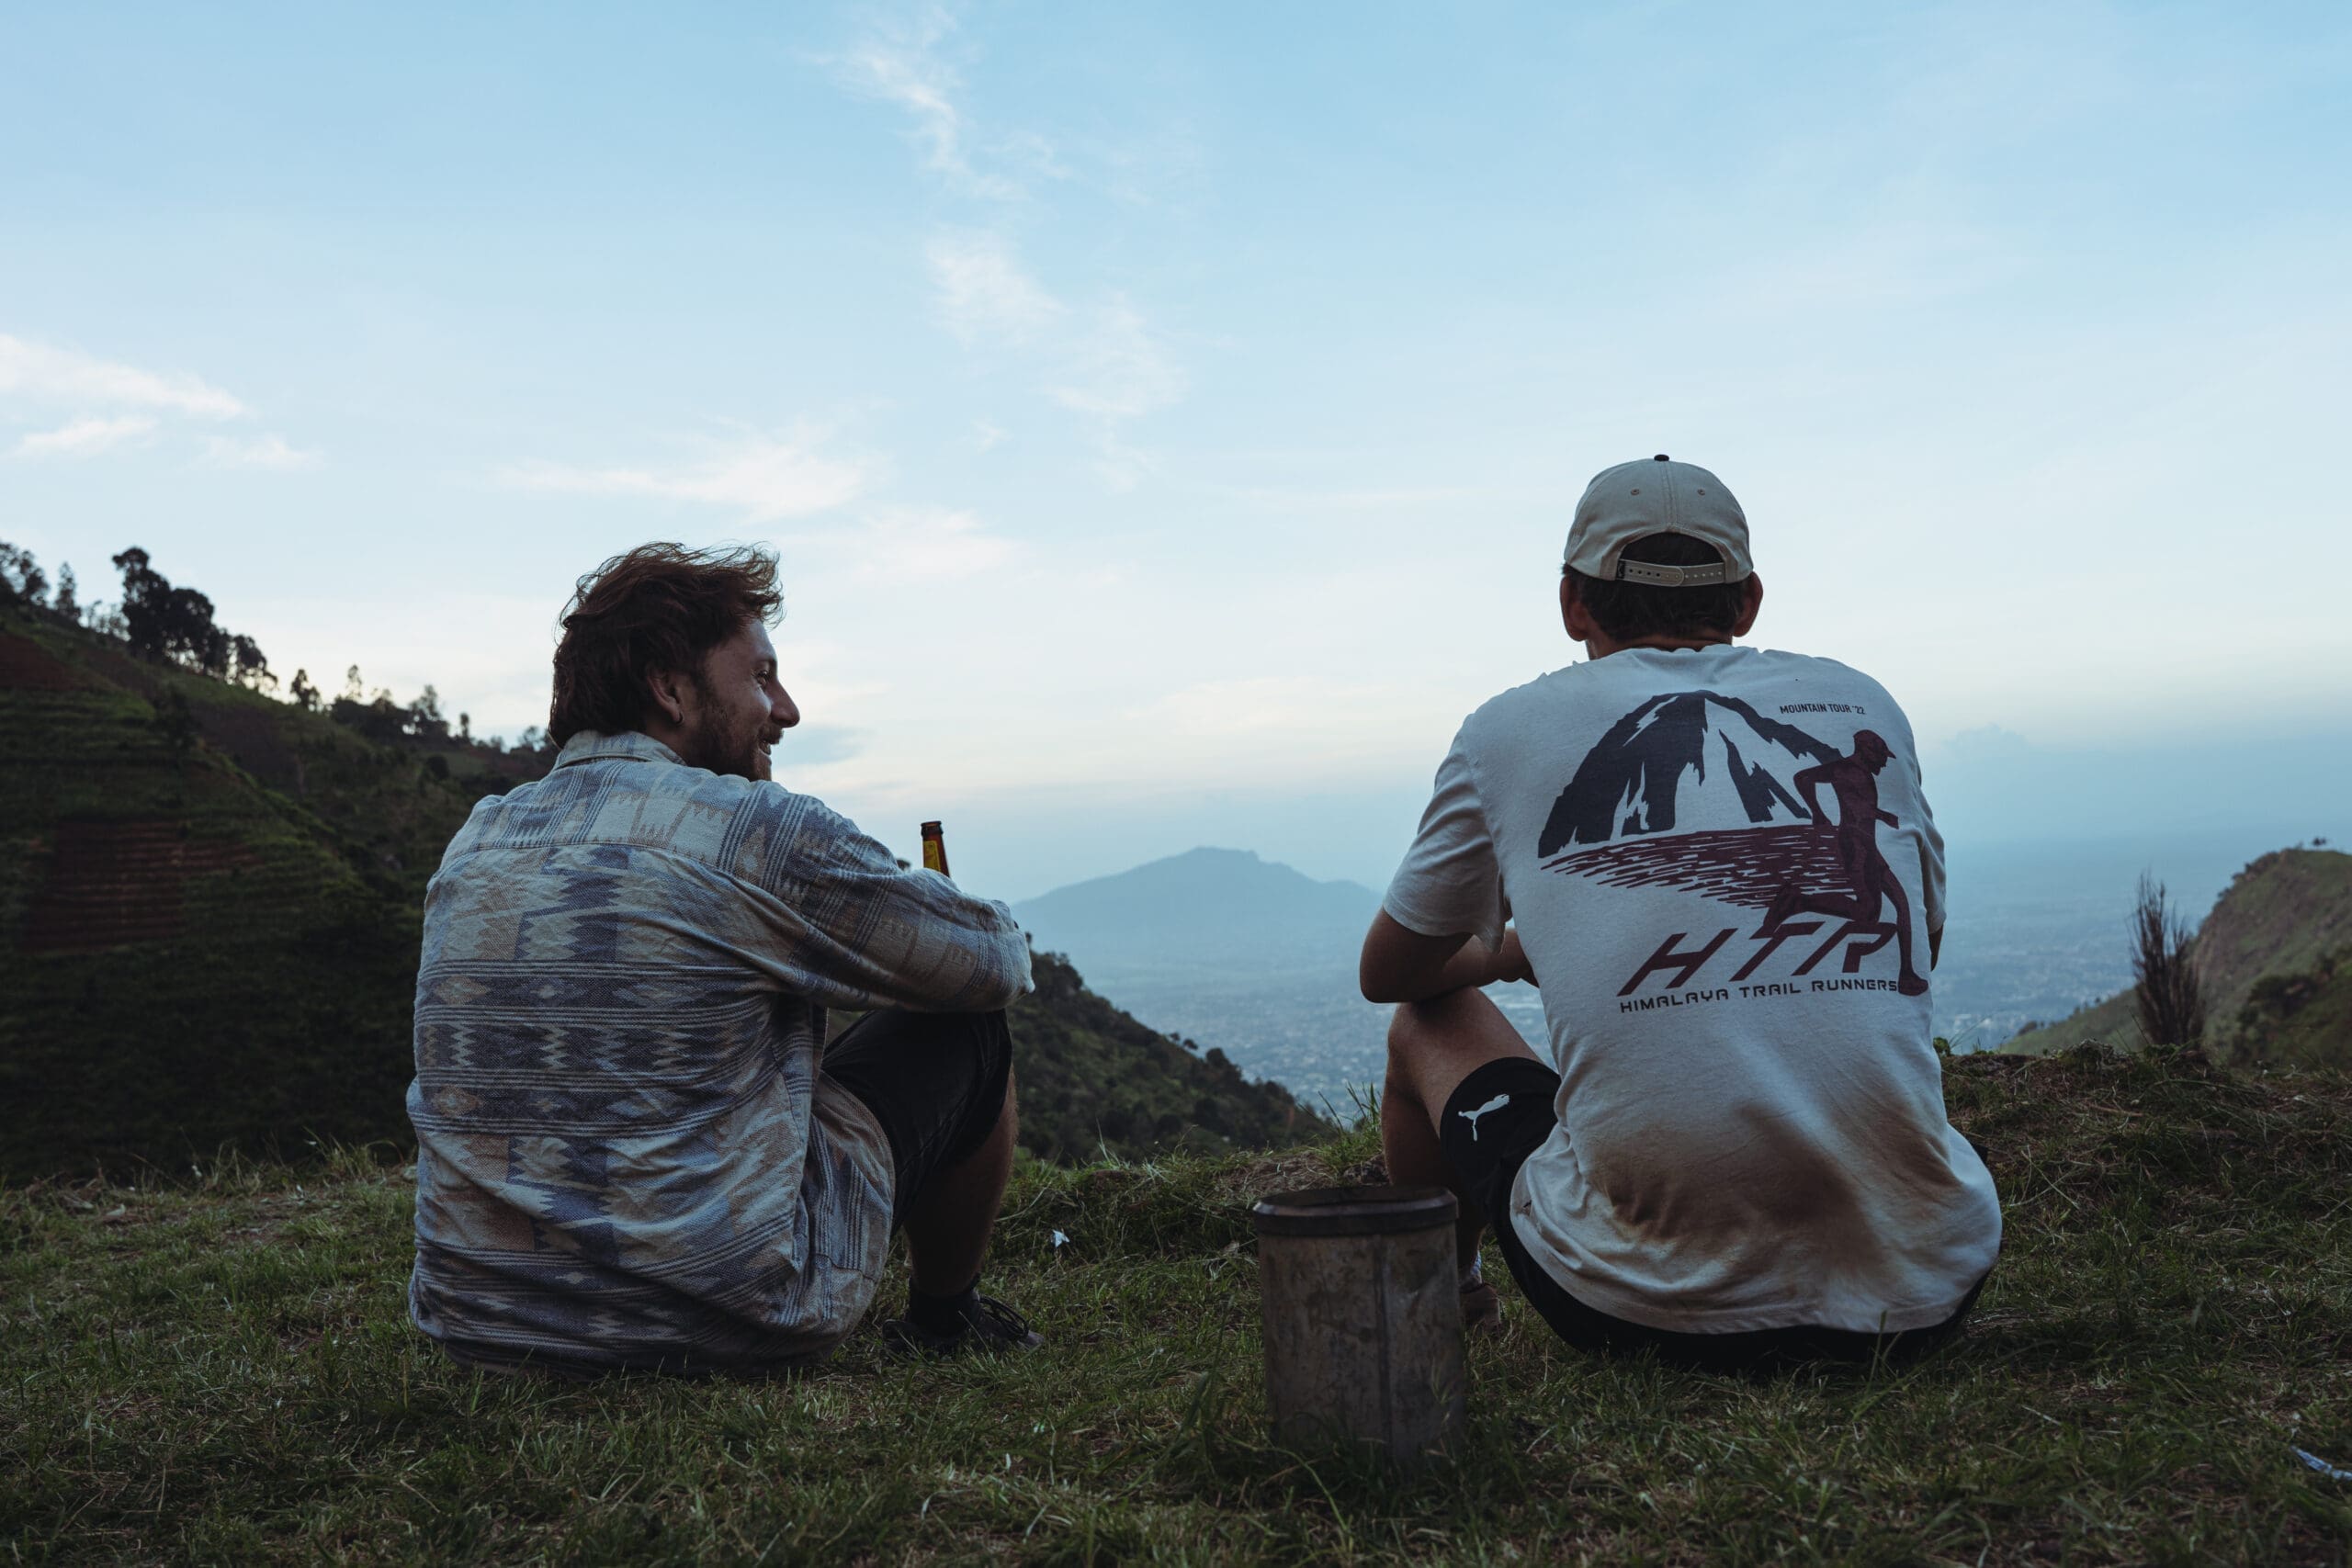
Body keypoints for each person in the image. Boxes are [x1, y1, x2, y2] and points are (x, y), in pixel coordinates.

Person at [1362, 456, 2000, 1372]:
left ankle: (1452, 1298)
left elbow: (1389, 973)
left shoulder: (1509, 730)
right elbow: (1917, 942)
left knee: (1427, 1021)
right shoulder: (1860, 703)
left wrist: (1507, 956)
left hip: (1644, 1310)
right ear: (1746, 602)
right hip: (1925, 1289)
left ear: (1572, 605)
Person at [406, 542, 1040, 1375]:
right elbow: (991, 961)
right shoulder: (754, 829)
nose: (787, 709)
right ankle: (945, 1321)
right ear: (670, 687)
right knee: (970, 1031)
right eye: (761, 677)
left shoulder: (478, 838)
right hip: (722, 1318)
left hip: (479, 1323)